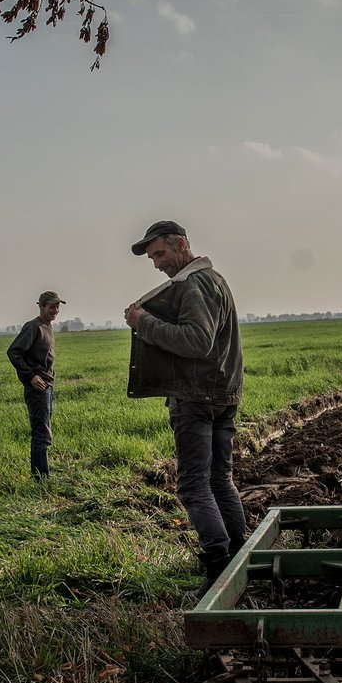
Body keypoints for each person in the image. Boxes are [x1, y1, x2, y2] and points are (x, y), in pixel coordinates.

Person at [124, 220, 247, 582]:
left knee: (194, 484)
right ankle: (240, 552)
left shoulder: (194, 284)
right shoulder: (216, 280)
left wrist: (142, 321)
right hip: (223, 394)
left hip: (197, 397)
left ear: (181, 244)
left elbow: (197, 341)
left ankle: (218, 564)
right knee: (219, 480)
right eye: (152, 259)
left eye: (160, 254)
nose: (157, 264)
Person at [6, 291, 64, 480]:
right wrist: (31, 376)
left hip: (47, 385)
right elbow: (14, 352)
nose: (55, 310)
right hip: (37, 388)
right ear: (41, 306)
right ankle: (41, 478)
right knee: (41, 433)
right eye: (51, 306)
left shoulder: (48, 326)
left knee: (44, 429)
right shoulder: (33, 327)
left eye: (57, 306)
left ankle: (40, 474)